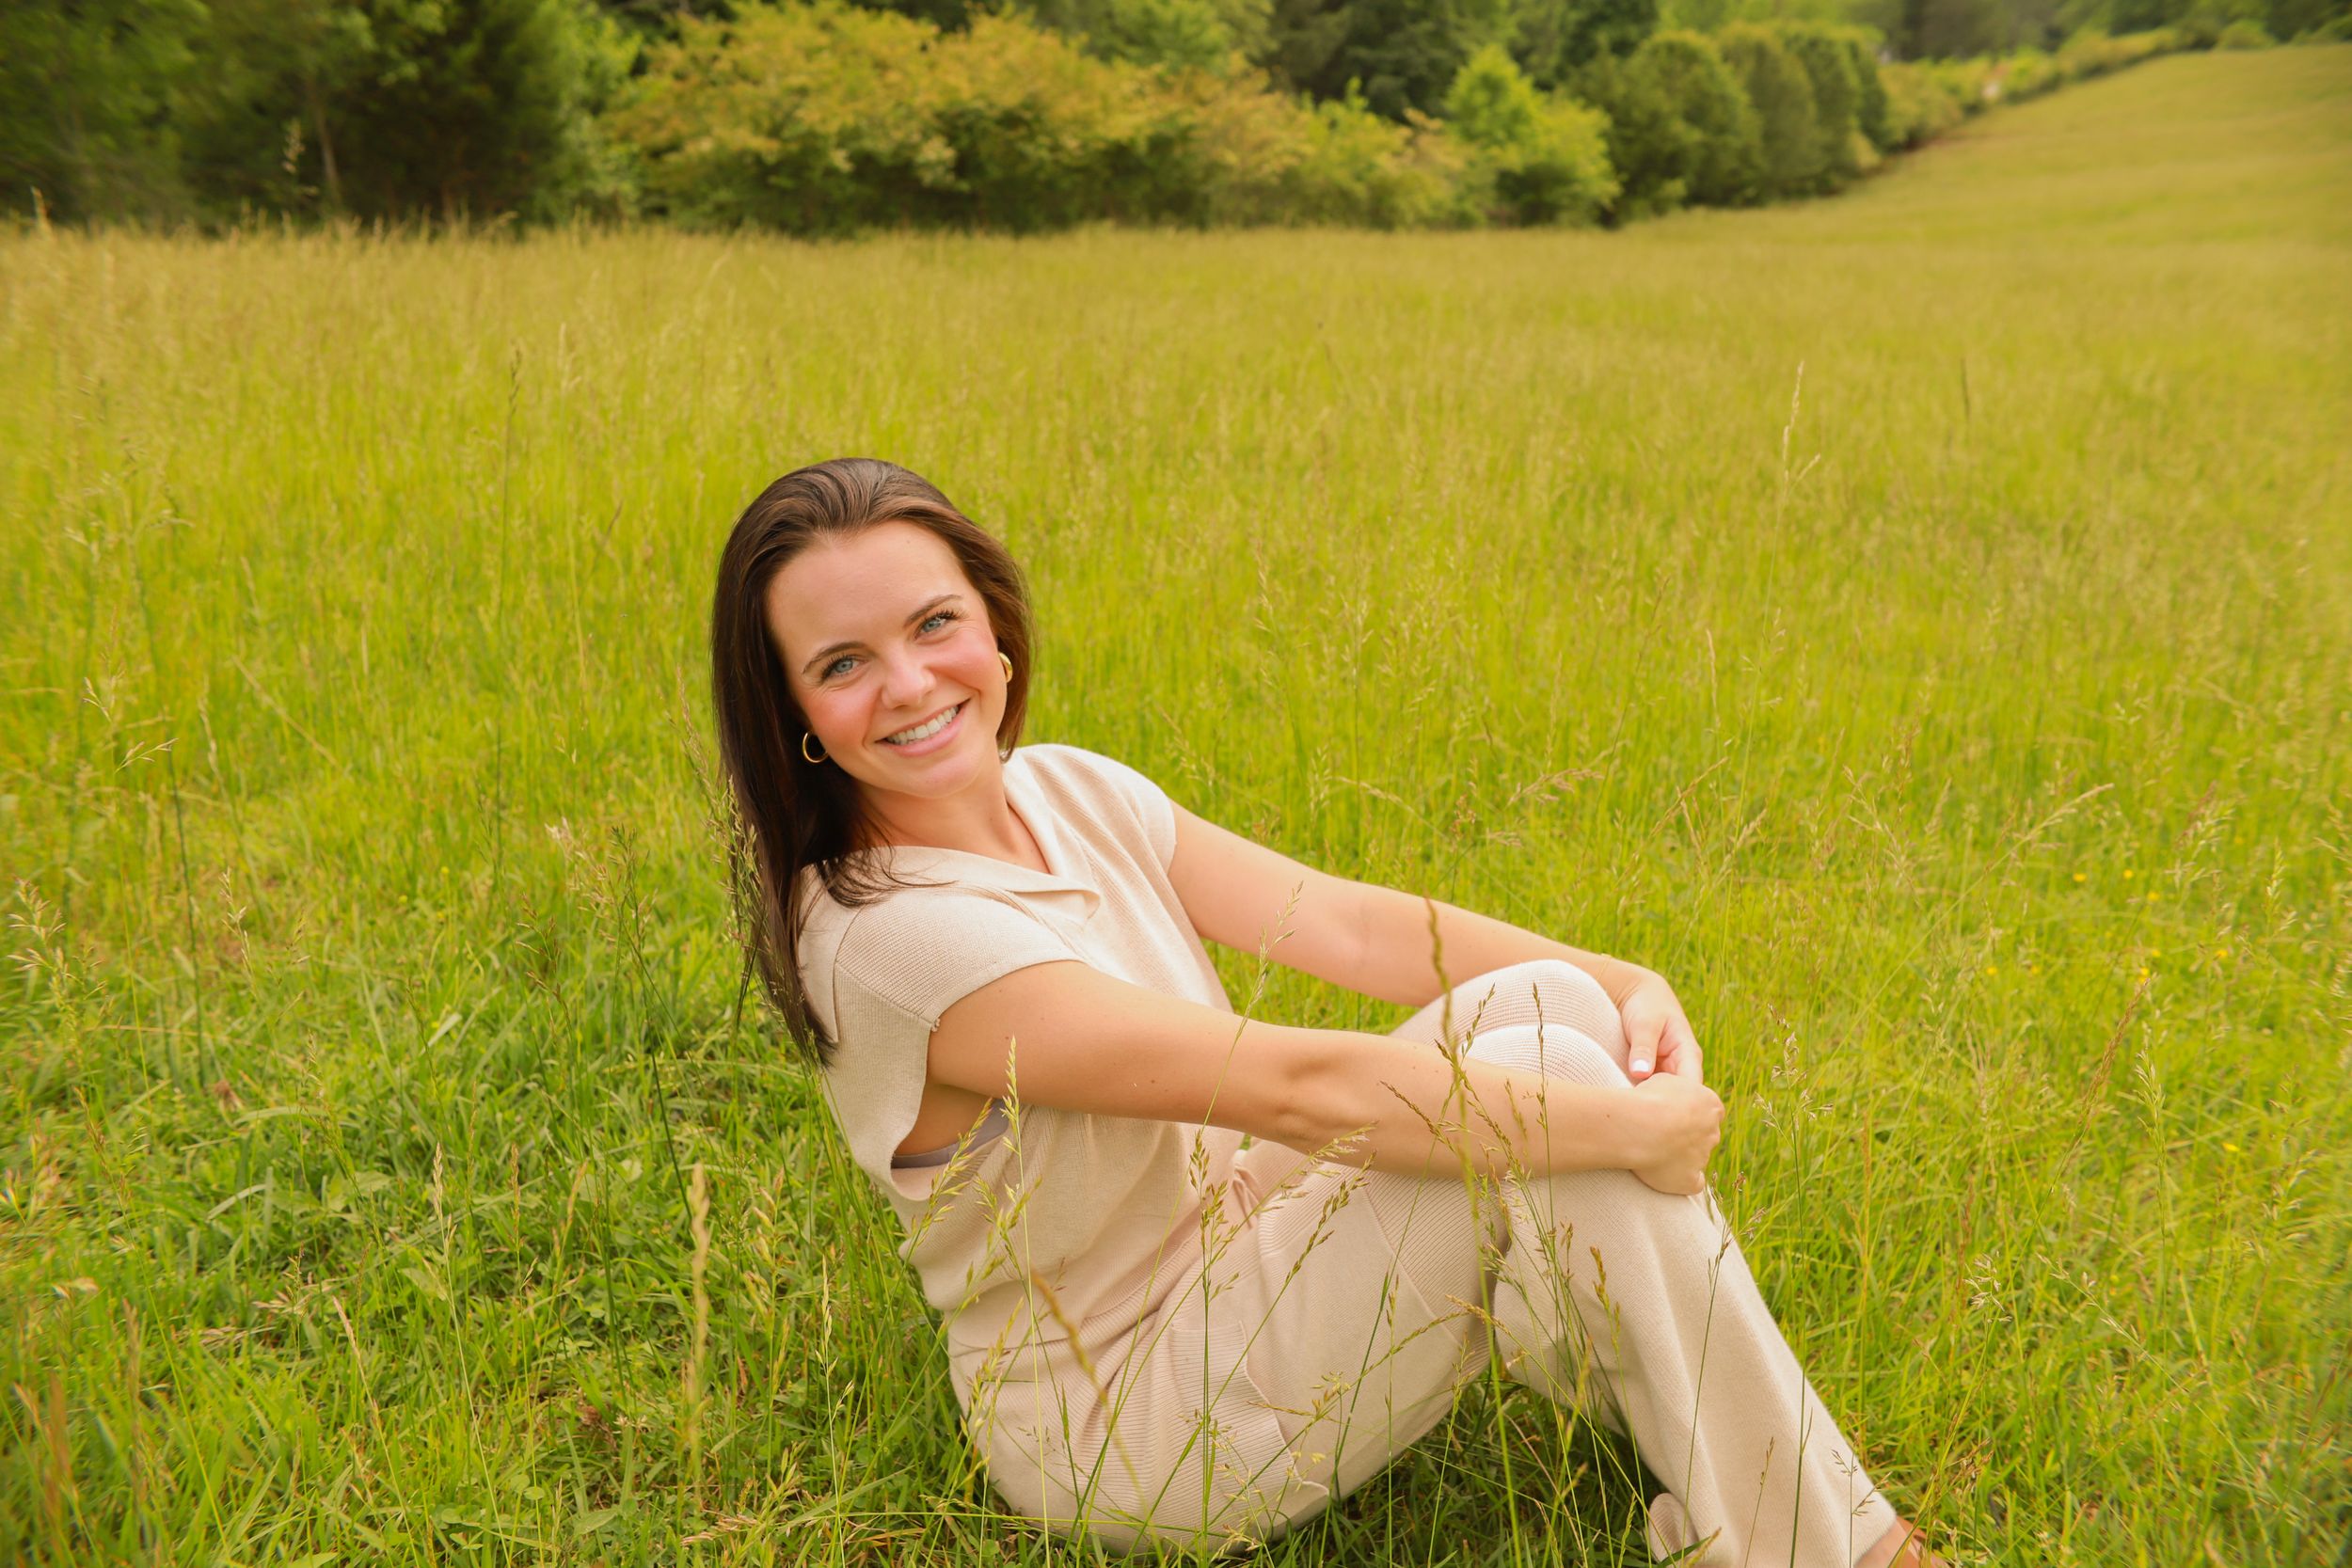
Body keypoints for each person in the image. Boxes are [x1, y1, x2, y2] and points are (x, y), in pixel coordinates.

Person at [709, 457, 1947, 1566]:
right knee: (1561, 1093)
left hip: (1241, 1243)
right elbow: (1297, 1090)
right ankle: (1838, 1550)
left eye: (934, 623)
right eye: (842, 665)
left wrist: (1624, 979)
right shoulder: (893, 939)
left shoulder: (1069, 790)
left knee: (1555, 1007)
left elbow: (1348, 926)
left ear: (995, 628)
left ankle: (1690, 1412)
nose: (910, 682)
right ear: (795, 717)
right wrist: (1639, 1132)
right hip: (1129, 1417)